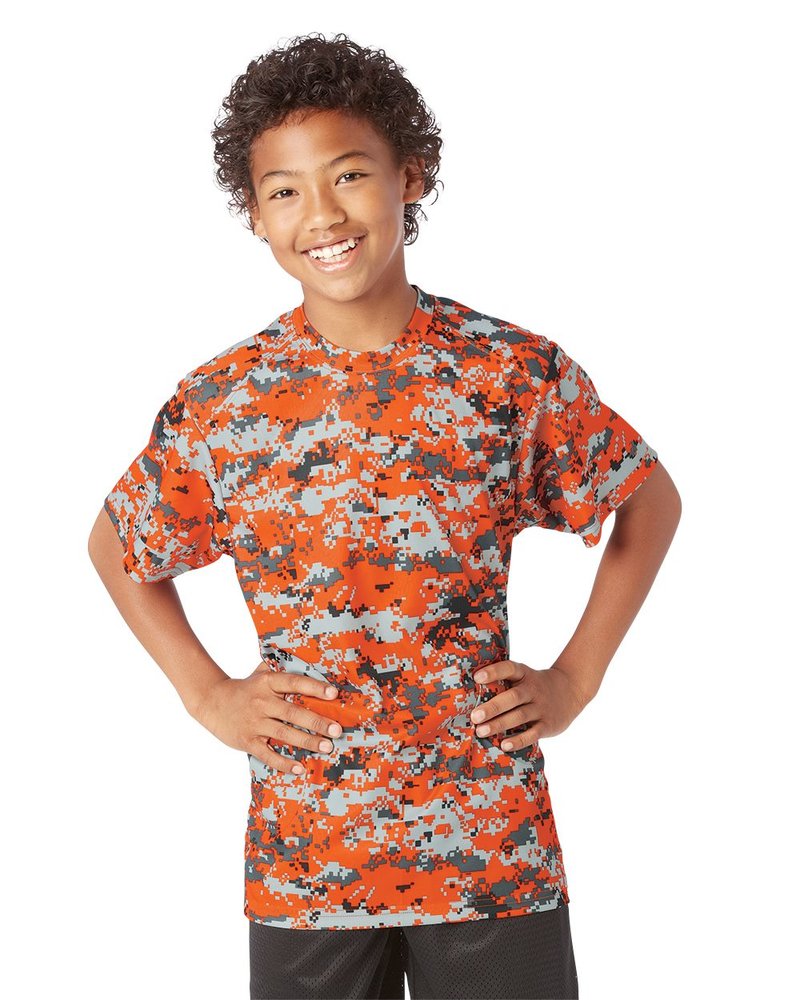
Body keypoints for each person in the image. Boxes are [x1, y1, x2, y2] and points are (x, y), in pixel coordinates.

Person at [88, 30, 681, 1000]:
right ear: (255, 215)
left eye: (350, 175)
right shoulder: (224, 403)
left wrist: (575, 676)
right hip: (309, 856)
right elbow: (117, 544)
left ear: (412, 174)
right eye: (285, 190)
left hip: (488, 846)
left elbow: (644, 495)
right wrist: (207, 694)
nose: (322, 214)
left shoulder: (506, 373)